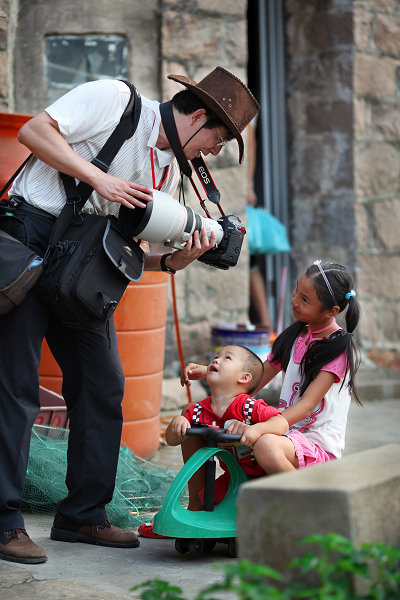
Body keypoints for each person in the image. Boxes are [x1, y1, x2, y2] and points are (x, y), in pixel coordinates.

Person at [0, 67, 260, 564]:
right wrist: (101, 178)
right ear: (197, 116)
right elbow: (33, 131)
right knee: (14, 385)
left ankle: (83, 515)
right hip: (31, 239)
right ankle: (4, 522)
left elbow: (129, 250)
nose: (216, 151)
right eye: (219, 139)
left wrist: (177, 259)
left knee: (103, 384)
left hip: (80, 267)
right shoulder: (115, 100)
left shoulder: (166, 170)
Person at [179, 261, 361, 497]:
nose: (294, 300)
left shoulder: (336, 349)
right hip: (282, 434)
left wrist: (263, 428)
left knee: (264, 444)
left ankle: (311, 507)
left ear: (331, 311)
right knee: (193, 421)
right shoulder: (296, 335)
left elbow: (306, 406)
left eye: (305, 299)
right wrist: (210, 371)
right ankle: (196, 506)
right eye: (296, 290)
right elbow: (255, 379)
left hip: (314, 447)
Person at [138, 344, 288, 538]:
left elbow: (281, 422)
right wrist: (178, 423)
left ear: (244, 377)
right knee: (208, 503)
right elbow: (172, 440)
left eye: (227, 358)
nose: (216, 360)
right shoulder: (198, 410)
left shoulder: (249, 407)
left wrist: (256, 428)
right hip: (232, 481)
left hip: (264, 479)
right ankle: (190, 518)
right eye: (216, 356)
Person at [246, 115, 274, 330]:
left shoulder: (249, 111)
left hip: (242, 195)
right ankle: (266, 324)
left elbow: (250, 143)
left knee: (250, 262)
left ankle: (266, 324)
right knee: (250, 263)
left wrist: (246, 184)